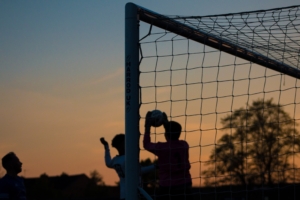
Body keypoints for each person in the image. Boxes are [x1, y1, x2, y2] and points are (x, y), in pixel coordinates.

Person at [143, 111, 192, 200]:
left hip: (168, 187)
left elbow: (146, 144)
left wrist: (147, 126)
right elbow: (171, 133)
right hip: (185, 185)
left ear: (165, 134)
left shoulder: (162, 148)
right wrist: (166, 123)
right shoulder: (184, 145)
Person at [100, 134, 155, 200]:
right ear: (122, 145)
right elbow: (139, 171)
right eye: (126, 142)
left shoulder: (116, 160)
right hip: (134, 192)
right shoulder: (127, 159)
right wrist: (155, 166)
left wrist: (106, 146)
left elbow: (108, 163)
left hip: (123, 194)